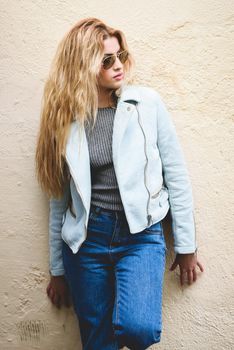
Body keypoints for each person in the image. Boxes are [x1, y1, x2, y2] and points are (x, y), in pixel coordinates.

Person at [35, 17, 204, 350]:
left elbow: (176, 174)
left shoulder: (146, 104)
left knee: (138, 329)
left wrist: (187, 246)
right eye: (107, 60)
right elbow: (59, 200)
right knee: (98, 342)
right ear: (83, 66)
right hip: (87, 242)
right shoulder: (67, 121)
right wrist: (57, 269)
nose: (119, 65)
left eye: (120, 55)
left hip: (141, 237)